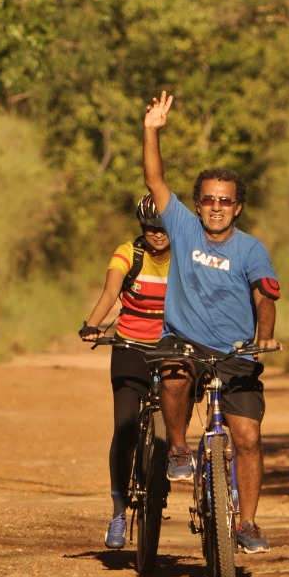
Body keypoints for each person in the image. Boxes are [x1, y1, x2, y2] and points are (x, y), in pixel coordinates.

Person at [140, 90, 283, 555]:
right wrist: (151, 131)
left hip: (236, 351)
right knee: (175, 372)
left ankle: (247, 522)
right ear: (198, 205)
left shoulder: (251, 248)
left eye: (225, 201)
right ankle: (179, 448)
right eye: (208, 200)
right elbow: (155, 178)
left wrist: (265, 336)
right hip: (184, 341)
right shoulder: (181, 226)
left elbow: (265, 295)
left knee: (247, 436)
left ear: (237, 206)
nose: (216, 207)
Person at [78, 195, 172, 549]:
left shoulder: (186, 255)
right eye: (150, 228)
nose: (157, 234)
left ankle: (168, 460)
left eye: (163, 227)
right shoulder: (127, 254)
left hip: (172, 346)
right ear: (141, 227)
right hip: (130, 345)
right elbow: (110, 293)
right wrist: (92, 325)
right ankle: (118, 511)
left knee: (174, 416)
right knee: (125, 425)